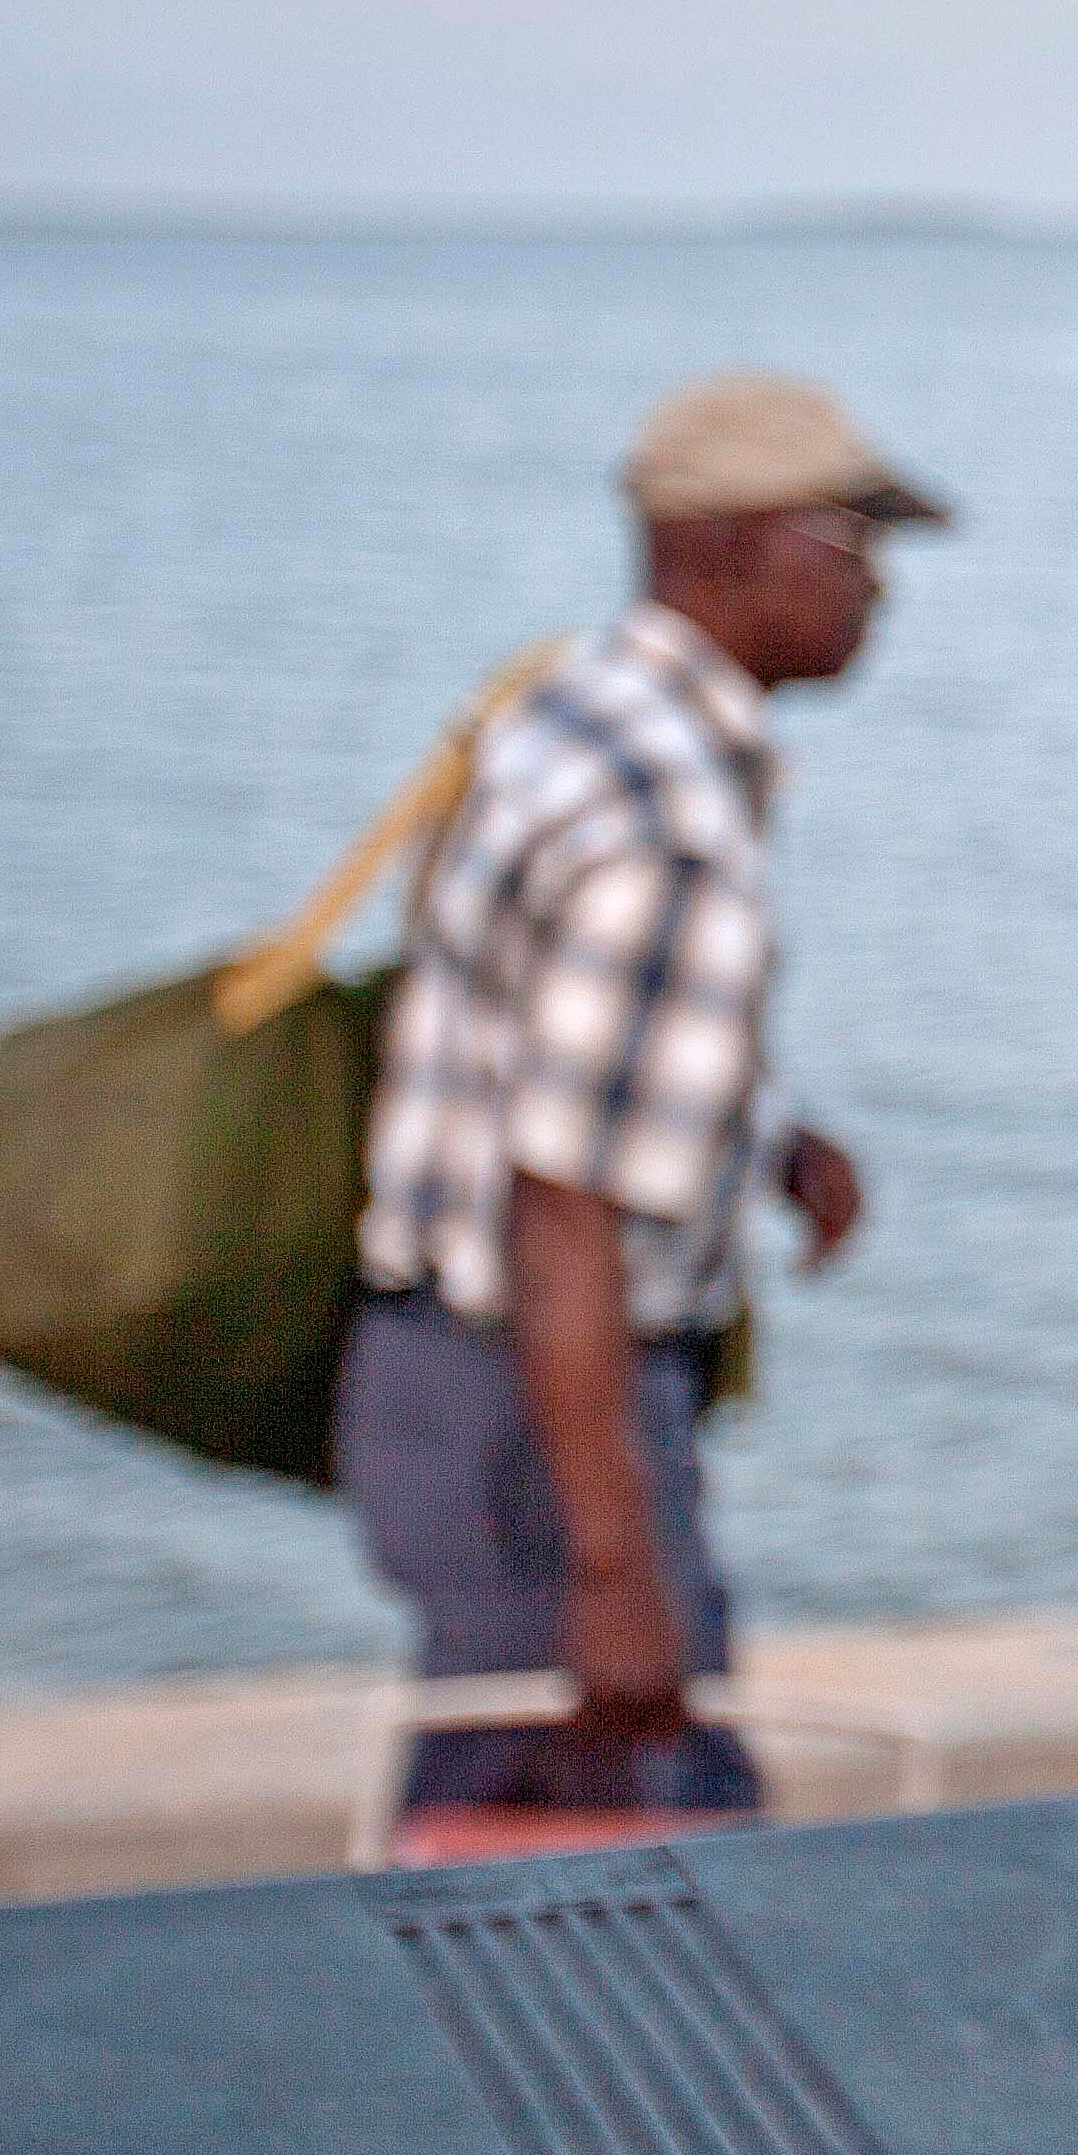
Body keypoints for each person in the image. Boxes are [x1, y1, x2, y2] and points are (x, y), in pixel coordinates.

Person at [339, 371, 952, 1813]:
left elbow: (534, 1040)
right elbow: (561, 1209)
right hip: (541, 1414)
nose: (878, 587)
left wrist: (766, 1139)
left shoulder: (573, 711)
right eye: (852, 542)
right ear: (730, 545)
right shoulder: (671, 824)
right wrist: (615, 1571)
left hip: (451, 1388)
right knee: (613, 1850)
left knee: (540, 1841)